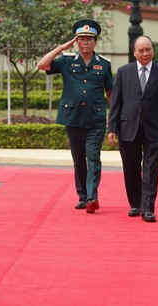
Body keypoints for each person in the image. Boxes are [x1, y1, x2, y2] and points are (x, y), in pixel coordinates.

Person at [37, 19, 113, 213]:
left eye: (89, 39)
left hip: (95, 120)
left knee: (93, 158)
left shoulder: (103, 65)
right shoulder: (66, 61)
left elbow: (110, 94)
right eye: (81, 39)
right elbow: (42, 65)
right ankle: (82, 196)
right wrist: (62, 47)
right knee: (78, 159)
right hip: (73, 118)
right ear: (76, 42)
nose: (85, 42)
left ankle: (91, 198)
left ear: (95, 42)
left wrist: (114, 121)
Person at [107, 35, 158, 223]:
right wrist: (112, 128)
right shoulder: (123, 72)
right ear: (134, 52)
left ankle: (148, 208)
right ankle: (135, 204)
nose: (145, 53)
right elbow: (116, 103)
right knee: (131, 168)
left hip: (154, 128)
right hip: (127, 127)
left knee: (151, 169)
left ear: (153, 50)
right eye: (141, 50)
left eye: (148, 49)